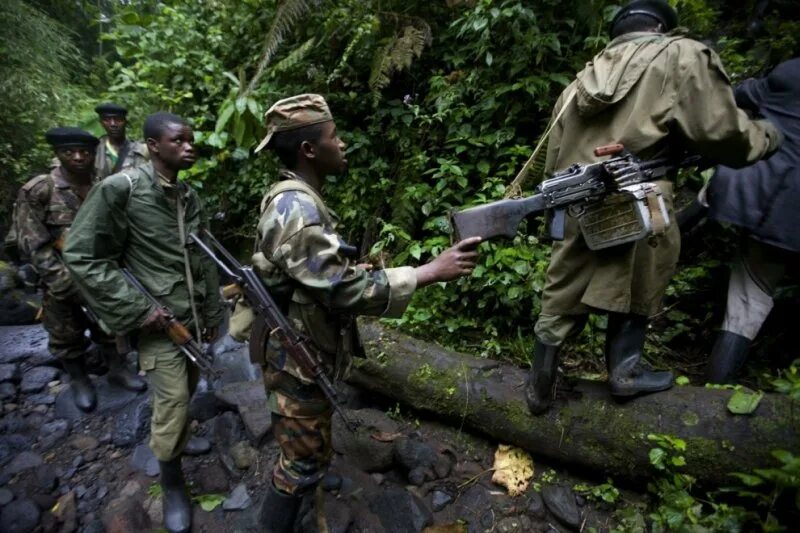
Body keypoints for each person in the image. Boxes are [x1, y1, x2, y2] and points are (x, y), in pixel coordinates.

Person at [525, 0, 783, 415]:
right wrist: (767, 135)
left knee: (564, 284)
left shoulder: (579, 82)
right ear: (661, 27)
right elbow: (722, 132)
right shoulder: (682, 56)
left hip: (575, 199)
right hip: (642, 198)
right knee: (639, 278)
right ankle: (625, 373)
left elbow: (555, 154)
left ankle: (539, 383)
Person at [250, 94, 480, 532]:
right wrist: (428, 272)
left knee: (314, 437)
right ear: (309, 150)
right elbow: (340, 290)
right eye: (335, 137)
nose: (344, 145)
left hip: (308, 345)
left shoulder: (302, 201)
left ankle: (313, 475)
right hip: (294, 358)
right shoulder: (295, 210)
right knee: (296, 464)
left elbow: (321, 274)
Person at [62, 112, 224, 533]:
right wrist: (138, 311)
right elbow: (81, 254)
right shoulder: (122, 188)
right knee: (171, 401)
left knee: (186, 393)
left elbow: (201, 261)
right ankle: (172, 484)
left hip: (189, 321)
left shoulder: (189, 196)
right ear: (153, 145)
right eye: (178, 140)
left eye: (192, 139)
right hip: (156, 323)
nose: (189, 146)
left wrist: (211, 317)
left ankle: (176, 445)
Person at [14, 127, 146, 412]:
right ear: (58, 154)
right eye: (69, 152)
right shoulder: (40, 190)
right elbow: (33, 244)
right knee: (66, 334)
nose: (77, 157)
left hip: (103, 274)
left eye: (84, 152)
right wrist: (64, 282)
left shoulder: (104, 183)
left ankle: (117, 369)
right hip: (61, 281)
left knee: (111, 328)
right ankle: (79, 379)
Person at [703, 58, 800, 383]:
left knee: (748, 297)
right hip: (785, 213)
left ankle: (713, 393)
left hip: (769, 196)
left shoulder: (791, 72)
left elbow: (737, 96)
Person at [94, 102, 149, 179]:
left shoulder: (142, 150)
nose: (113, 124)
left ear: (126, 122)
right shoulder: (95, 150)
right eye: (107, 120)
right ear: (101, 123)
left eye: (118, 119)